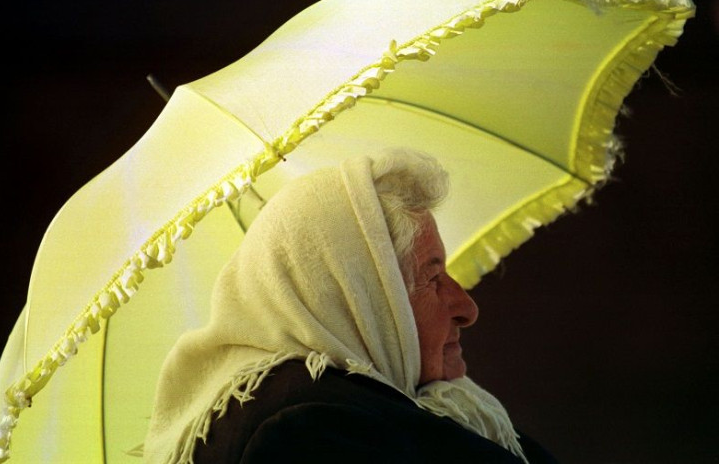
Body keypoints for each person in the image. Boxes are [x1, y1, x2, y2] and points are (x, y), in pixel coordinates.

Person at [145, 148, 557, 463]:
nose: (466, 307)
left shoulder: (348, 407)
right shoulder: (311, 432)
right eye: (431, 279)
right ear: (361, 300)